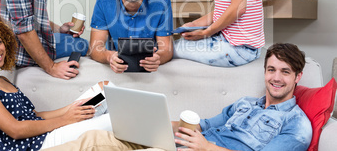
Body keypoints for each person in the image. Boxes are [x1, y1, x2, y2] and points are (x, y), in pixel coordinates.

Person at [42, 43, 312, 151]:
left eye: (285, 72)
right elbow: (203, 126)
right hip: (183, 143)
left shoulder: (297, 126)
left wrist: (207, 148)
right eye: (271, 70)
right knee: (96, 139)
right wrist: (152, 122)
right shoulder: (244, 104)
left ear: (298, 77)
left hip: (200, 150)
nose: (276, 78)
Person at [0, 13, 113, 150]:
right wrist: (66, 120)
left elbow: (33, 116)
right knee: (112, 121)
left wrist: (70, 109)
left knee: (105, 89)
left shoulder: (4, 80)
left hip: (45, 133)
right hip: (37, 144)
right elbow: (15, 129)